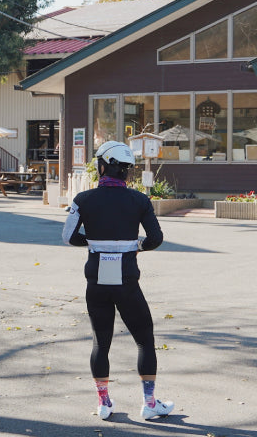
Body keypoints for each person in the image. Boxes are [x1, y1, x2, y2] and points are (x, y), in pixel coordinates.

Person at [62, 140, 174, 421]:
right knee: (144, 340)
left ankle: (103, 402)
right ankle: (149, 403)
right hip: (126, 280)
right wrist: (134, 245)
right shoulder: (139, 200)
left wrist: (94, 241)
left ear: (102, 167)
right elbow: (156, 239)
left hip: (96, 280)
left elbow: (68, 237)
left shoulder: (82, 200)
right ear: (126, 172)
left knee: (101, 343)